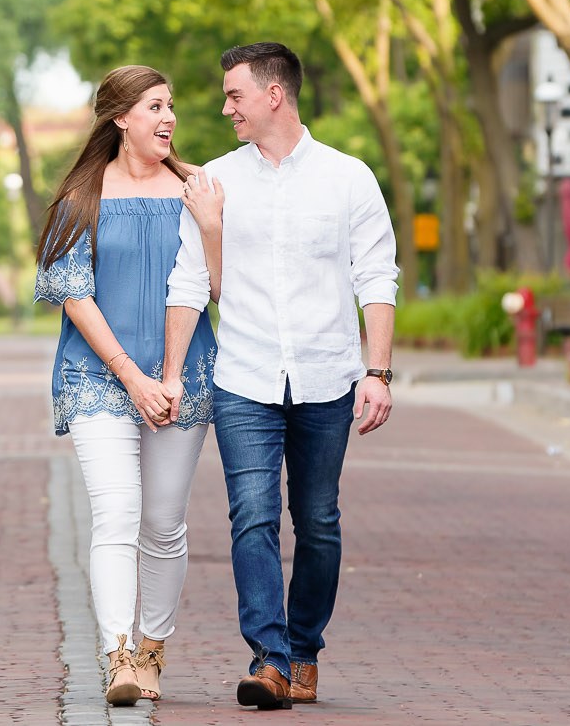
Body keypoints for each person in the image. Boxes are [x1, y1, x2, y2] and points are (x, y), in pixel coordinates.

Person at [166, 42, 398, 711]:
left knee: (318, 520)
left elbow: (376, 277)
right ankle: (268, 658)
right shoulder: (213, 180)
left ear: (275, 94)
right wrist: (174, 373)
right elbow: (189, 285)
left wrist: (377, 370)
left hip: (329, 374)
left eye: (234, 93)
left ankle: (303, 649)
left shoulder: (348, 177)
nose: (224, 106)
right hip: (244, 375)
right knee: (252, 516)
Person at [36, 65, 220, 707]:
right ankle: (117, 651)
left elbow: (222, 286)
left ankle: (151, 649)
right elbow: (72, 296)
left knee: (164, 522)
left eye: (172, 106)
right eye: (154, 107)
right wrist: (131, 376)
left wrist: (216, 226)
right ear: (120, 119)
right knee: (116, 512)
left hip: (182, 376)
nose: (169, 118)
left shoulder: (199, 190)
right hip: (99, 375)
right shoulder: (80, 197)